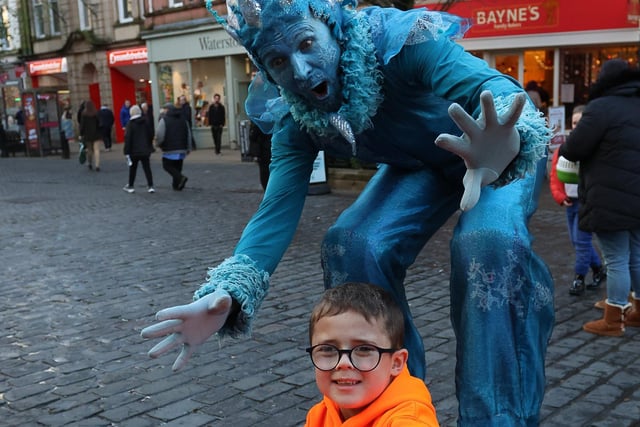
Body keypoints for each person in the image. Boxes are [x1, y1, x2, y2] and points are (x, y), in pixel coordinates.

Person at [141, 2, 553, 425]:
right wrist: (227, 293)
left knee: (487, 243)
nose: (300, 71)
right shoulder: (296, 119)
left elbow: (494, 90)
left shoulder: (400, 43)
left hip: (495, 147)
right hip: (422, 164)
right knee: (351, 244)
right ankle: (389, 406)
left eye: (306, 44)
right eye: (279, 61)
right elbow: (276, 211)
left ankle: (499, 417)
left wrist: (507, 140)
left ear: (331, 27)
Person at [559, 58, 640, 336]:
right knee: (636, 255)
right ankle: (637, 310)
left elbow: (572, 149)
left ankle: (614, 317)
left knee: (616, 258)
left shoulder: (601, 108)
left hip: (610, 197)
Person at [305, 282, 438, 426]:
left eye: (364, 349)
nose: (343, 362)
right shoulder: (320, 415)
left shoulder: (409, 419)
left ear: (396, 362)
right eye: (327, 349)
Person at [549, 105, 605, 296]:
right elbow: (555, 176)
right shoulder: (565, 147)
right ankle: (598, 268)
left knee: (582, 242)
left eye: (581, 122)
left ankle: (579, 278)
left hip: (587, 204)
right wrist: (559, 196)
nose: (577, 126)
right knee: (576, 241)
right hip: (570, 203)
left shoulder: (596, 149)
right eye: (574, 122)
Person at [155, 102, 191, 191]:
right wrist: (188, 147)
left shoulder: (164, 120)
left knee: (167, 165)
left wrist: (158, 144)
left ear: (167, 110)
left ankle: (181, 178)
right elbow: (188, 134)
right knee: (177, 167)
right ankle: (176, 185)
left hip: (170, 148)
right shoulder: (183, 120)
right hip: (182, 147)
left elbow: (160, 135)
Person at [123, 105, 155, 194]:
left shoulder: (130, 124)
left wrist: (126, 151)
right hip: (145, 149)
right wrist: (149, 144)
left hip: (134, 150)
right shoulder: (146, 121)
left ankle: (131, 185)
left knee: (133, 169)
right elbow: (150, 134)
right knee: (147, 168)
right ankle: (150, 185)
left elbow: (128, 138)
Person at [79, 100, 102, 171]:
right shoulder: (96, 113)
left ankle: (89, 163)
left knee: (89, 150)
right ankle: (97, 165)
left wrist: (81, 134)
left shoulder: (84, 114)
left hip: (87, 134)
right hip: (96, 134)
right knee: (97, 150)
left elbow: (82, 125)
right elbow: (99, 123)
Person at [249, 120, 272, 190]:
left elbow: (253, 138)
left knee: (265, 173)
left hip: (266, 150)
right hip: (267, 150)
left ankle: (268, 189)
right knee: (266, 172)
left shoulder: (259, 120)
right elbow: (254, 138)